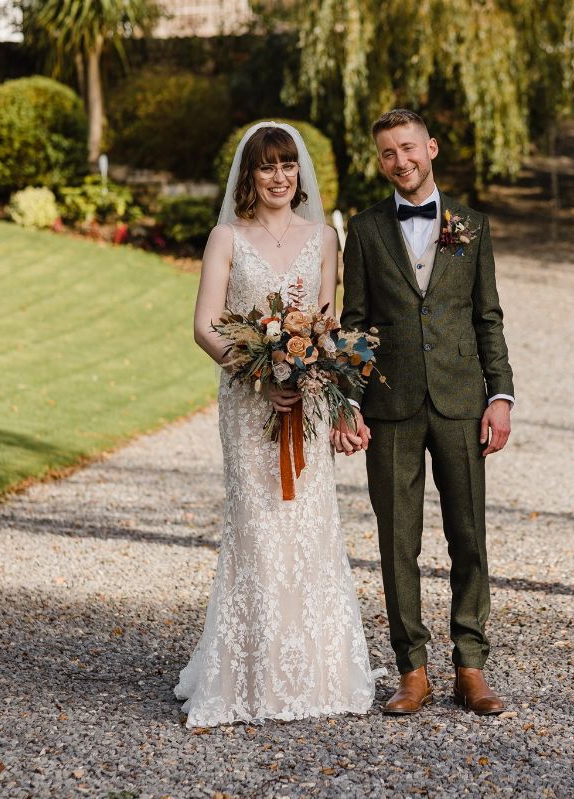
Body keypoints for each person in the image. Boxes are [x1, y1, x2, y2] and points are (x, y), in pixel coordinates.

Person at [175, 123, 381, 726]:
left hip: (307, 402)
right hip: (248, 403)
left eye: (288, 165)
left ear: (300, 173)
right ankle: (249, 677)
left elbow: (327, 323)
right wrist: (260, 375)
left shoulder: (324, 239)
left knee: (307, 522)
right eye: (266, 167)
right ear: (249, 176)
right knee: (259, 524)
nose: (279, 177)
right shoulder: (226, 239)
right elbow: (206, 325)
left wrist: (321, 387)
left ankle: (315, 670)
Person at [338, 108, 515, 716]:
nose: (400, 162)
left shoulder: (472, 224)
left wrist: (501, 396)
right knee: (397, 541)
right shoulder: (363, 232)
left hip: (462, 401)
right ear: (380, 160)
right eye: (388, 153)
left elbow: (486, 316)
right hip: (390, 407)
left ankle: (472, 665)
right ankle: (412, 669)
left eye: (409, 148)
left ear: (431, 148)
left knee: (468, 535)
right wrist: (348, 403)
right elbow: (354, 325)